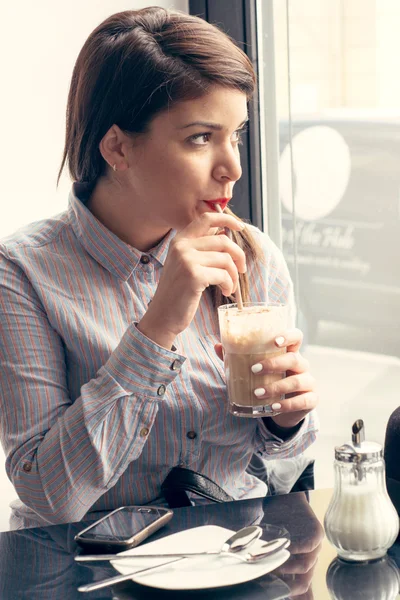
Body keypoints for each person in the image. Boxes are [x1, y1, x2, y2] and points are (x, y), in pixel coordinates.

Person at [0, 6, 318, 529]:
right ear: (118, 147)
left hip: (231, 555)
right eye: (200, 138)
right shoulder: (23, 272)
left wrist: (287, 421)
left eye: (235, 134)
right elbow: (50, 496)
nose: (232, 167)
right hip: (90, 567)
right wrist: (160, 325)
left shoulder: (251, 256)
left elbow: (279, 463)